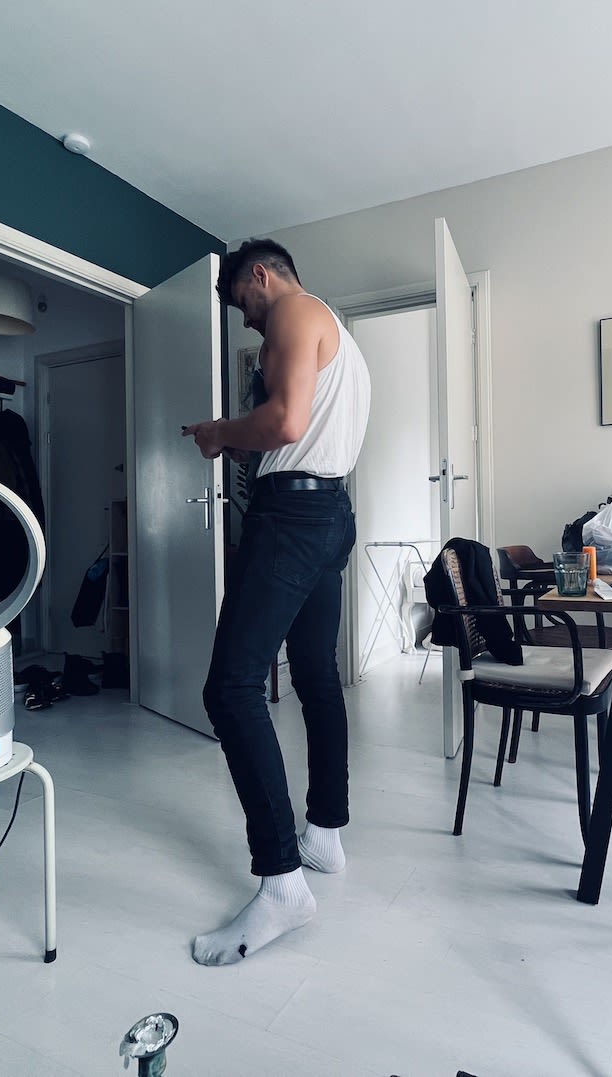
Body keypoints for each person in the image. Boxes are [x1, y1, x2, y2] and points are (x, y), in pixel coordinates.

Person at [181, 238, 371, 966]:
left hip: (292, 515)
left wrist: (217, 434)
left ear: (262, 276)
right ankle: (324, 831)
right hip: (330, 515)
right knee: (316, 672)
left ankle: (282, 878)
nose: (251, 323)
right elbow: (310, 424)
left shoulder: (294, 312)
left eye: (244, 305)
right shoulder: (343, 343)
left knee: (230, 688)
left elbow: (286, 424)